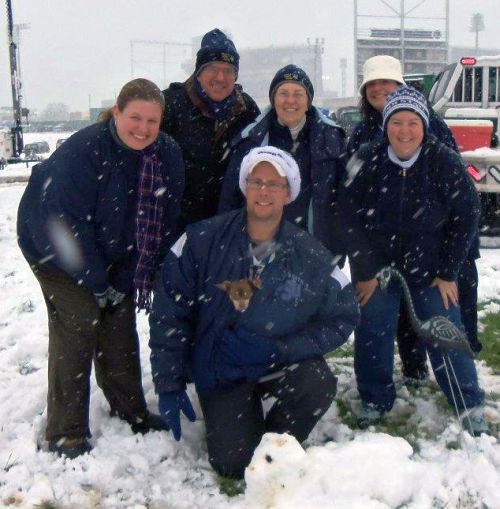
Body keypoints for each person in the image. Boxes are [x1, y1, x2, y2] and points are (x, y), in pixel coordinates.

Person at [149, 146, 360, 479]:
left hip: (276, 362)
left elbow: (343, 316)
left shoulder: (310, 255)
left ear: (288, 193)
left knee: (316, 384)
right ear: (244, 186)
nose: (264, 191)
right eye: (256, 181)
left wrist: (282, 349)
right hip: (223, 371)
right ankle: (239, 427)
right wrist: (168, 381)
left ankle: (275, 440)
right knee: (234, 464)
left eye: (274, 184)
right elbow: (169, 313)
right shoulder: (201, 240)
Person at [17, 78, 185, 459]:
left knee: (118, 318)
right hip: (51, 243)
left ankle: (131, 411)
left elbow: (164, 220)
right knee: (81, 317)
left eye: (152, 121)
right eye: (135, 117)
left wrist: (123, 279)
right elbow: (65, 222)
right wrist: (95, 281)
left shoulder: (167, 155)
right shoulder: (86, 151)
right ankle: (65, 432)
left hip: (113, 251)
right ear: (117, 112)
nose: (143, 128)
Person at [337, 86, 489, 435]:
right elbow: (346, 215)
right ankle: (375, 399)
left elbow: (467, 215)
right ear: (385, 125)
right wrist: (364, 270)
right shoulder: (367, 158)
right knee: (373, 329)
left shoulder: (444, 160)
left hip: (431, 270)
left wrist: (448, 272)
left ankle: (468, 404)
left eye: (412, 122)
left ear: (424, 125)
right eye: (396, 122)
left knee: (445, 329)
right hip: (379, 269)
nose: (404, 131)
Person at [347, 55, 482, 384]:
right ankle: (405, 371)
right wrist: (364, 267)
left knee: (445, 305)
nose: (380, 88)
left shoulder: (433, 130)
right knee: (385, 316)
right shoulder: (363, 137)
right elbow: (350, 207)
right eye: (373, 83)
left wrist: (449, 266)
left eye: (387, 82)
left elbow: (461, 202)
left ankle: (448, 366)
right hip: (385, 251)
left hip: (435, 245)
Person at [219, 64, 346, 259]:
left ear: (308, 101)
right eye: (283, 93)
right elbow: (230, 199)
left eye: (298, 94)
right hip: (261, 251)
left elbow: (344, 199)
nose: (290, 101)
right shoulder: (251, 140)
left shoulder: (332, 138)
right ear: (273, 99)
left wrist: (337, 250)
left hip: (316, 251)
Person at [161, 28, 260, 230]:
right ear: (198, 72)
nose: (220, 77)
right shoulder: (169, 105)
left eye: (228, 70)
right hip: (176, 228)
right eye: (212, 68)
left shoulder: (246, 110)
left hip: (230, 227)